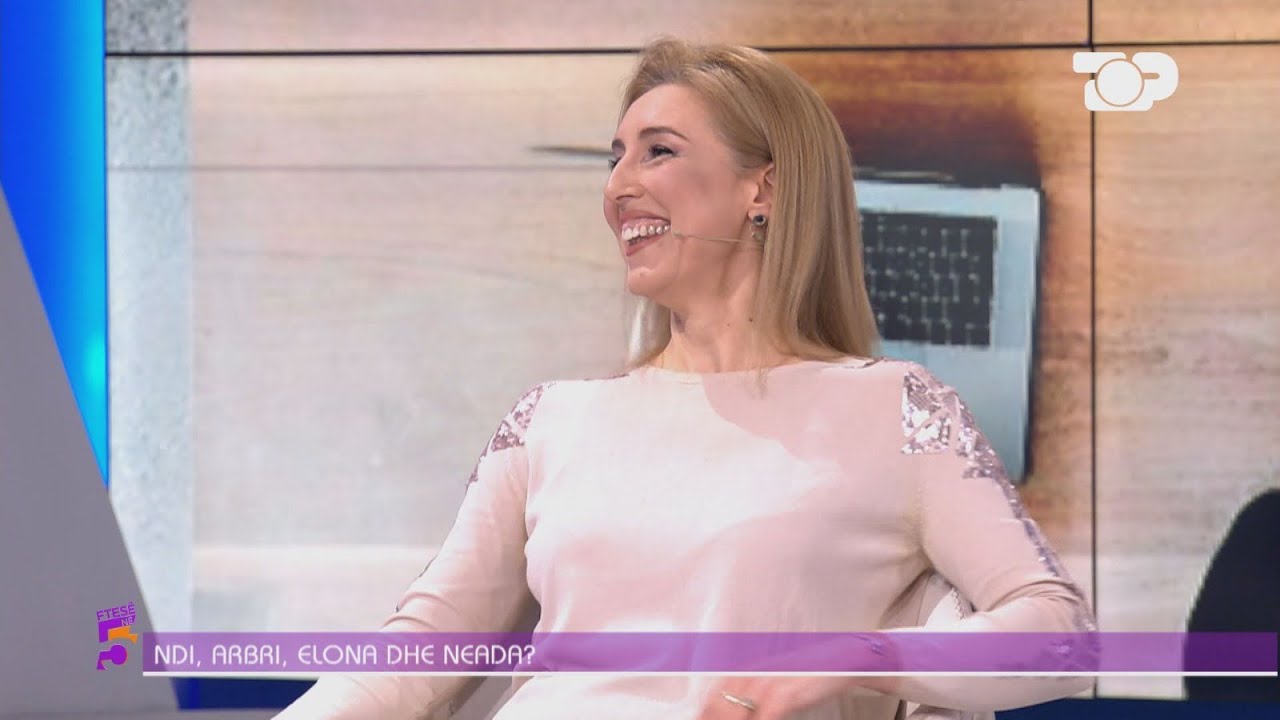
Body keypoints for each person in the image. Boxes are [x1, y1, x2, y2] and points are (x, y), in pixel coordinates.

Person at [276, 37, 1095, 719]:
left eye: (659, 152)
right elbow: (420, 653)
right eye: (615, 159)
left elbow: (1060, 638)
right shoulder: (552, 420)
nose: (618, 187)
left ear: (761, 188)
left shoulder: (897, 407)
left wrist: (858, 658)